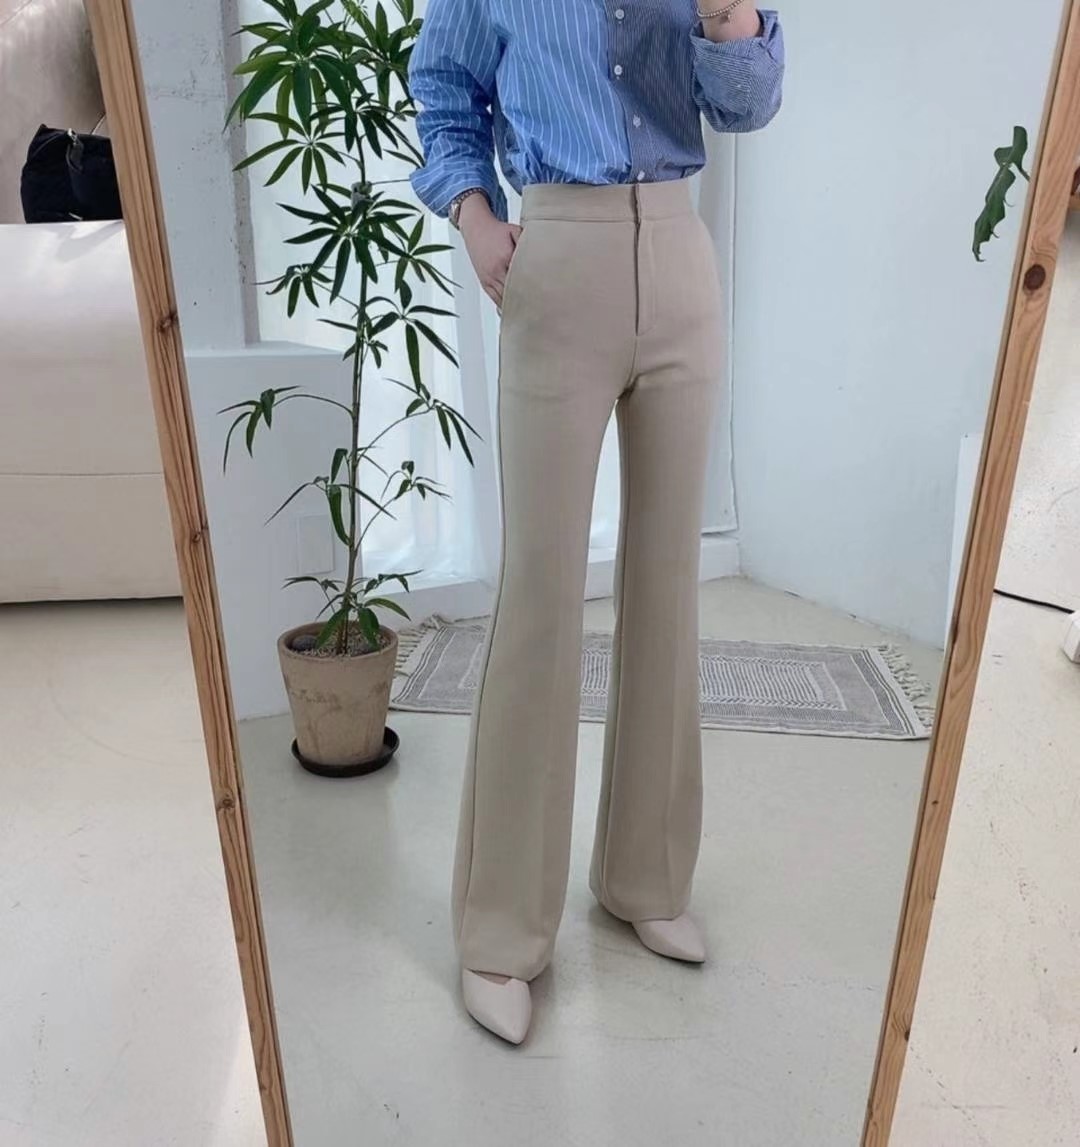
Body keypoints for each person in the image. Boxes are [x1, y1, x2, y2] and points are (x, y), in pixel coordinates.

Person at [409, 0, 785, 1044]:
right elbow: (442, 87)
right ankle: (500, 929)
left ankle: (644, 876)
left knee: (665, 584)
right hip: (558, 256)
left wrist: (725, 15)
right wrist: (476, 218)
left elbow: (749, 104)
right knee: (540, 593)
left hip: (679, 256)